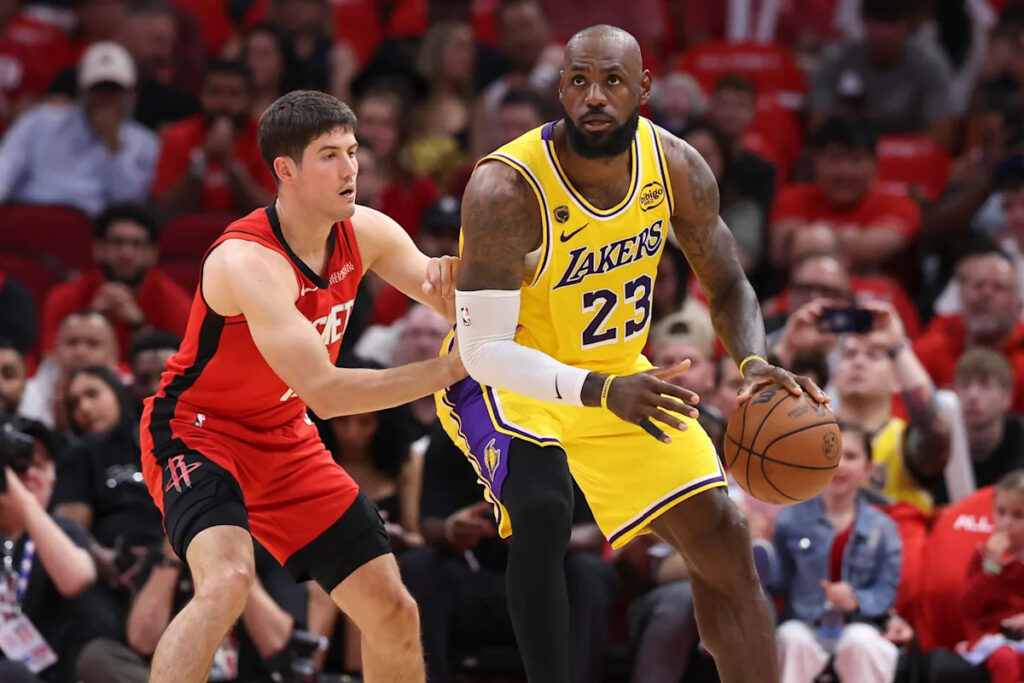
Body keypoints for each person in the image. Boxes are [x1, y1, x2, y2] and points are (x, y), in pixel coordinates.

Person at [439, 24, 827, 683]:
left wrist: (755, 363)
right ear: (560, 89)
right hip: (509, 380)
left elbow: (727, 280)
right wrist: (597, 390)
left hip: (620, 377)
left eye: (613, 80)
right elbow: (483, 350)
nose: (595, 95)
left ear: (643, 88)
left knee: (726, 538)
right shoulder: (505, 190)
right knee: (542, 508)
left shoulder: (675, 165)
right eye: (580, 81)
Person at [138, 89, 465, 683]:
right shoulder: (246, 261)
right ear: (285, 171)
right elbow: (327, 394)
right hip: (198, 434)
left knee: (392, 609)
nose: (351, 168)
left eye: (353, 149)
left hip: (284, 436)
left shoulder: (365, 230)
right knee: (228, 582)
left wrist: (479, 282)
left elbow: (446, 294)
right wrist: (444, 370)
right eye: (329, 155)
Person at [773, 422, 903, 683]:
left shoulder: (884, 528)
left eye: (851, 456)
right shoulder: (790, 519)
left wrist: (857, 599)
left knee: (862, 643)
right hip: (806, 623)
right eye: (831, 454)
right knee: (789, 636)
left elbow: (887, 589)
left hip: (859, 624)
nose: (840, 464)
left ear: (868, 469)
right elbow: (779, 584)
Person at [0, 41, 159, 216]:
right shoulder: (40, 121)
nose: (105, 98)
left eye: (114, 89)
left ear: (131, 93)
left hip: (92, 226)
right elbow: (5, 166)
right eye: (97, 89)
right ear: (82, 91)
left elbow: (131, 208)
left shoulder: (145, 142)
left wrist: (115, 147)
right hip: (32, 212)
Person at [39, 203, 191, 361]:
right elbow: (50, 364)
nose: (126, 254)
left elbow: (183, 368)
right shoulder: (66, 296)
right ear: (97, 248)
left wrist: (139, 325)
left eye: (136, 244)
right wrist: (92, 318)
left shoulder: (175, 300)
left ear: (153, 253)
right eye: (117, 242)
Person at [957, 470, 1024, 683]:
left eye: (1018, 515)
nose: (1007, 523)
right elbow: (967, 607)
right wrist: (990, 569)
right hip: (993, 639)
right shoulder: (984, 556)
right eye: (1001, 512)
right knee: (1005, 658)